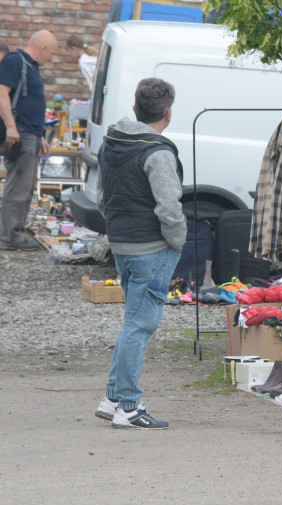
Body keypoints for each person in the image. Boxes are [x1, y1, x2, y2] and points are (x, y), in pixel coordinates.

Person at [94, 78, 186, 430]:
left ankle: (113, 398)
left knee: (132, 322)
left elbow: (105, 197)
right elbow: (169, 207)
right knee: (140, 324)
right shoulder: (159, 151)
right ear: (168, 113)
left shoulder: (112, 142)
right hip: (151, 247)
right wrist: (177, 240)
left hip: (121, 242)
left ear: (135, 109)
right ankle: (129, 406)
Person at [0, 30, 58, 252]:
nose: (51, 58)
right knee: (18, 186)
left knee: (27, 186)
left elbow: (28, 102)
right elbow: (2, 93)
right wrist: (11, 127)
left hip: (31, 133)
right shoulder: (15, 61)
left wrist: (41, 135)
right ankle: (9, 237)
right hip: (21, 132)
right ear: (43, 48)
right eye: (51, 53)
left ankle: (15, 232)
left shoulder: (31, 66)